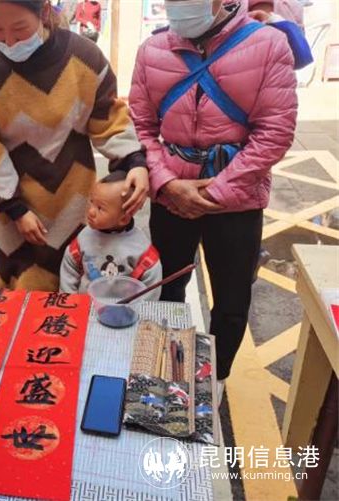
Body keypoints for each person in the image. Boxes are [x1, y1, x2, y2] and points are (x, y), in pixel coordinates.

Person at [129, 0, 297, 398]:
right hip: (171, 196)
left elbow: (275, 132)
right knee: (166, 287)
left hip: (236, 201)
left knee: (232, 298)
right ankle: (166, 370)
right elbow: (139, 126)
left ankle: (216, 377)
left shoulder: (268, 44)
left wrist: (215, 193)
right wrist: (167, 184)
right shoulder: (152, 50)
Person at [0, 0, 149, 292]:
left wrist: (134, 162)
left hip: (75, 206)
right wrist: (15, 210)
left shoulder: (85, 58)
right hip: (15, 217)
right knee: (22, 290)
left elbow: (109, 119)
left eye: (19, 29)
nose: (9, 41)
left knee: (77, 279)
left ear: (45, 12)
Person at [60, 179, 162, 294]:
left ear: (123, 219)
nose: (91, 211)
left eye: (100, 208)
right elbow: (70, 265)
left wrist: (140, 304)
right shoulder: (84, 236)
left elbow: (151, 280)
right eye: (91, 202)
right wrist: (69, 299)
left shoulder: (140, 247)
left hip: (124, 304)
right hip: (85, 302)